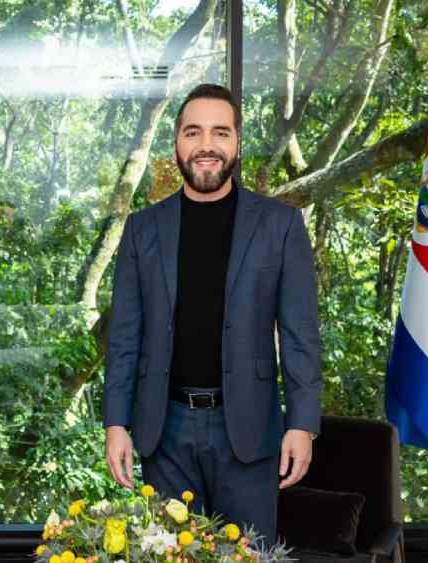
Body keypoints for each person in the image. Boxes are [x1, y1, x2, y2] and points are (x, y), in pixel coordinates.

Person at [103, 83, 321, 541]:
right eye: (193, 132)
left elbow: (300, 333)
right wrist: (116, 423)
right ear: (177, 143)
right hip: (163, 430)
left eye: (220, 133)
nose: (206, 145)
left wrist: (302, 423)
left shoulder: (279, 226)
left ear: (237, 142)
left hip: (250, 429)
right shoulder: (142, 230)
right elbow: (125, 336)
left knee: (248, 555)